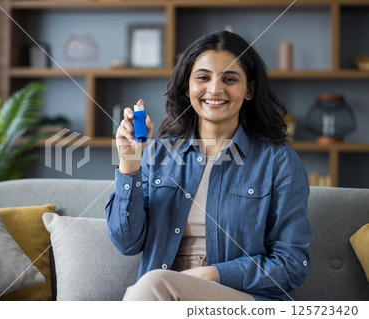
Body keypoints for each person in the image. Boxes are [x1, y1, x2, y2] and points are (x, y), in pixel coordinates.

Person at [105, 31, 312, 301]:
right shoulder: (157, 154)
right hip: (163, 297)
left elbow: (292, 265)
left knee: (152, 285)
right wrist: (129, 164)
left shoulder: (278, 161)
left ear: (249, 89)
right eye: (202, 77)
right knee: (154, 285)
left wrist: (210, 274)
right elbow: (126, 243)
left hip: (244, 299)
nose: (214, 89)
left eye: (229, 79)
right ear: (187, 87)